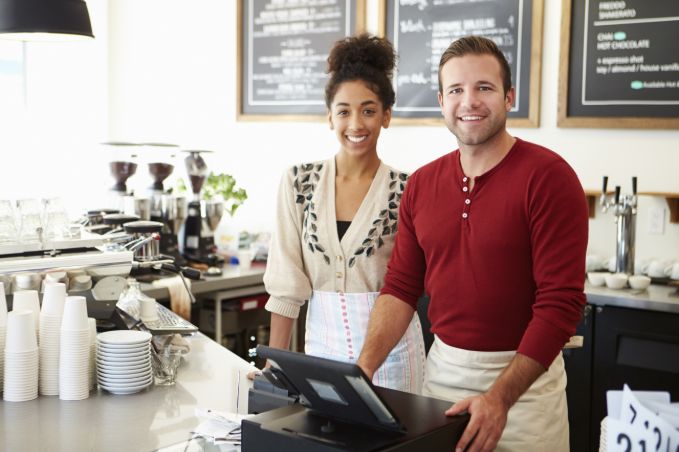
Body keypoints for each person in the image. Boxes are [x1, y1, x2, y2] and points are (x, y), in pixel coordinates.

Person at [357, 36, 588, 451]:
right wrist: (362, 369)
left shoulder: (550, 178)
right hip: (442, 379)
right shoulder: (421, 185)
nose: (470, 101)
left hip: (526, 395)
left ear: (509, 97)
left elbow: (561, 303)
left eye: (484, 87)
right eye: (457, 90)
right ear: (441, 100)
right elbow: (401, 288)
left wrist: (499, 399)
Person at [261, 34, 426, 393]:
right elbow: (287, 284)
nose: (356, 124)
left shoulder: (408, 188)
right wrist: (274, 363)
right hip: (321, 350)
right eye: (344, 111)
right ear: (329, 117)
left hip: (394, 356)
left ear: (387, 116)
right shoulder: (298, 183)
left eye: (369, 110)